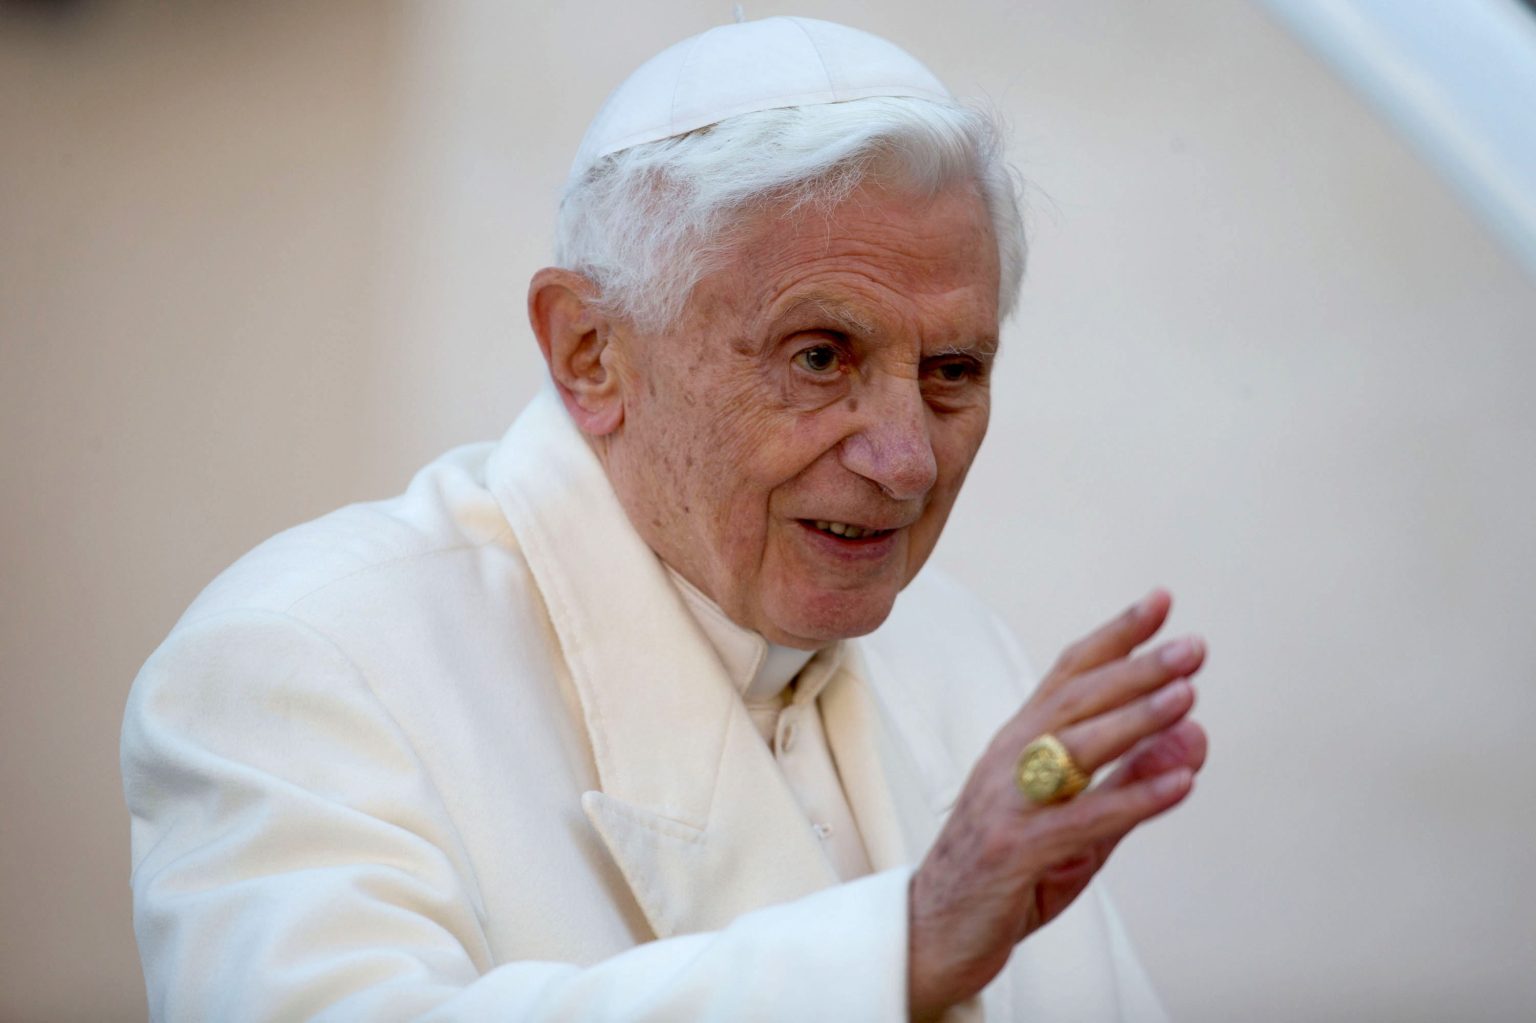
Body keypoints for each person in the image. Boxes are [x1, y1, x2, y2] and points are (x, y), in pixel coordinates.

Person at [122, 16, 1207, 1022]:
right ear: (590, 352)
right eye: (819, 357)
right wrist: (901, 947)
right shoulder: (311, 658)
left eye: (953, 370)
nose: (906, 460)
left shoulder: (958, 654)